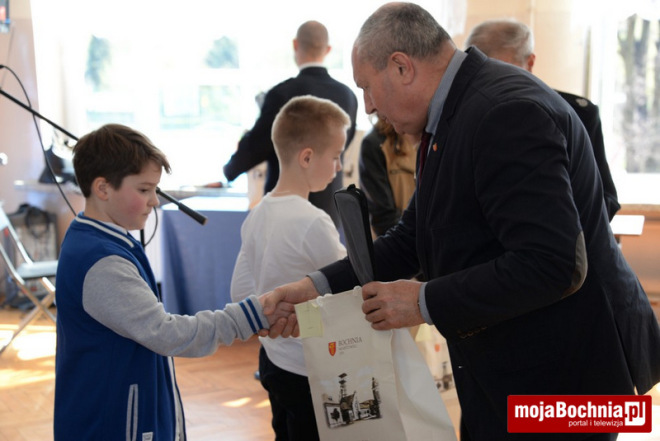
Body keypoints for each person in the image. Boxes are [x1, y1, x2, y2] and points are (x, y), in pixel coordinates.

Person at [262, 3, 660, 441]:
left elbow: (555, 263)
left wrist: (423, 301)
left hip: (564, 376)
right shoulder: (453, 111)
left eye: (367, 88)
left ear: (401, 67)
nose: (369, 107)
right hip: (510, 364)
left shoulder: (503, 113)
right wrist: (316, 286)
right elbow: (413, 236)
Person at [54, 124, 290, 441]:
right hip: (111, 421)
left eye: (155, 189)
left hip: (118, 408)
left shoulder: (99, 239)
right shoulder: (102, 262)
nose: (154, 200)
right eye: (144, 190)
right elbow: (165, 333)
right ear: (103, 188)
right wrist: (248, 315)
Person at [231, 96, 349, 441]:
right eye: (335, 156)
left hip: (273, 361)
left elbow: (240, 292)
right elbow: (346, 289)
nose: (339, 166)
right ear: (307, 157)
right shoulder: (314, 222)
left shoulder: (258, 214)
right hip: (313, 368)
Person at [465, 18, 620, 221]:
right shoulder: (462, 117)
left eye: (502, 72)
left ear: (529, 63)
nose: (491, 85)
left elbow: (605, 201)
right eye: (481, 76)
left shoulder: (577, 113)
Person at [222, 20, 359, 230]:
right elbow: (342, 146)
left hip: (286, 209)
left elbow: (257, 145)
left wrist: (230, 170)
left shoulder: (281, 94)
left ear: (295, 45)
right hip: (330, 206)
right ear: (328, 49)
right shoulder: (347, 95)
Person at [359, 115, 420, 236]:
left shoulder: (430, 137)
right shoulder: (374, 143)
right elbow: (384, 218)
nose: (367, 110)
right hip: (398, 240)